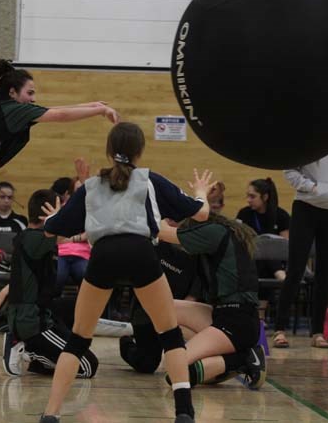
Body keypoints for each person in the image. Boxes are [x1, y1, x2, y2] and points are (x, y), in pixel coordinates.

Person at [38, 122, 211, 423]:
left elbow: (51, 230)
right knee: (170, 335)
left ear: (108, 151)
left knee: (79, 339)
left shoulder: (91, 186)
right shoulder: (150, 180)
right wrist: (200, 192)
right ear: (140, 151)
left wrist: (56, 214)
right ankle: (184, 412)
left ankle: (51, 414)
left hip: (103, 255)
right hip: (140, 252)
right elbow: (200, 212)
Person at [160, 213, 266, 389]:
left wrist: (159, 206)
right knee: (166, 308)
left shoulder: (214, 232)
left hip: (237, 322)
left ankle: (244, 358)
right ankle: (219, 358)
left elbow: (162, 232)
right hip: (222, 314)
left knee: (174, 370)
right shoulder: (220, 233)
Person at [3, 189, 98, 378]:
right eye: (59, 209)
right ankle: (26, 347)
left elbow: (71, 233)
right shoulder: (32, 238)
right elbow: (67, 229)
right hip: (31, 322)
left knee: (78, 310)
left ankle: (38, 358)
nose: (63, 214)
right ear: (46, 212)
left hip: (44, 314)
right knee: (87, 366)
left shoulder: (41, 239)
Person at [273, 140, 328, 349]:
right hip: (305, 208)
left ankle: (318, 332)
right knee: (295, 270)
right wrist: (312, 187)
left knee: (324, 273)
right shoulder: (310, 137)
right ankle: (280, 329)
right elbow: (289, 170)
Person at [0, 59, 120, 176]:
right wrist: (101, 110)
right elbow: (60, 115)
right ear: (12, 92)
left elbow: (48, 110)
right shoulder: (13, 110)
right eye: (30, 93)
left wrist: (92, 106)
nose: (33, 99)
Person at [119, 239, 202, 374]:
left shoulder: (199, 254)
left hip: (177, 316)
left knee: (182, 362)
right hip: (146, 312)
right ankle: (126, 342)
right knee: (147, 365)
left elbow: (192, 297)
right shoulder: (155, 245)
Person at [236, 178, 290, 281]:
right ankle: (279, 274)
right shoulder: (244, 214)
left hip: (276, 260)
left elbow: (285, 246)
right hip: (251, 259)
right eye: (247, 196)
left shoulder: (281, 215)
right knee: (260, 251)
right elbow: (237, 240)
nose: (248, 200)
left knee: (268, 251)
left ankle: (278, 273)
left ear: (265, 197)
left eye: (252, 196)